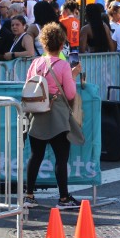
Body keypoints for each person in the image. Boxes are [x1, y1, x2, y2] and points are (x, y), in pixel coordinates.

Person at [23, 23, 80, 209]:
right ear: (62, 44)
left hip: (37, 113)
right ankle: (63, 198)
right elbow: (70, 94)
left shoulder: (35, 63)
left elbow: (28, 86)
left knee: (35, 156)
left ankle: (29, 195)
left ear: (43, 43)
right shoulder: (63, 65)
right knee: (61, 158)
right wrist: (73, 76)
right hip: (57, 116)